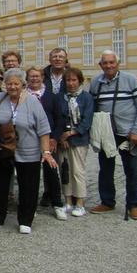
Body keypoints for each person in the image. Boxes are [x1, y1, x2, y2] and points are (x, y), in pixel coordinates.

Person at [0, 68, 55, 234]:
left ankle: (25, 220)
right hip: (3, 149)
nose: (12, 87)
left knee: (29, 185)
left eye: (16, 83)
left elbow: (43, 128)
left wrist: (46, 152)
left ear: (23, 84)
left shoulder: (32, 101)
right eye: (9, 83)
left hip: (29, 150)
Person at [89, 50, 137, 220]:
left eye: (111, 62)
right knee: (105, 169)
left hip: (128, 133)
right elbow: (91, 106)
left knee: (131, 170)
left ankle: (134, 204)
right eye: (105, 63)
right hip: (105, 132)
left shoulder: (130, 79)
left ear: (118, 64)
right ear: (100, 65)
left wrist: (136, 130)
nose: (108, 66)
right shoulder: (95, 82)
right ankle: (107, 201)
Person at [26, 67, 66, 220]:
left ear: (42, 77)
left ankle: (57, 204)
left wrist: (54, 138)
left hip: (48, 139)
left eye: (37, 76)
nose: (34, 79)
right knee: (31, 174)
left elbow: (59, 119)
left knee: (51, 172)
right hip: (29, 140)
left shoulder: (51, 96)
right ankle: (31, 205)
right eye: (31, 76)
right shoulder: (24, 95)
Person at [56, 67, 94, 217]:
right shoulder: (60, 97)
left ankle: (80, 202)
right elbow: (58, 118)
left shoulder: (86, 97)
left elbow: (87, 120)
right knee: (65, 170)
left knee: (78, 171)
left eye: (74, 80)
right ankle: (68, 201)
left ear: (80, 81)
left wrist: (70, 134)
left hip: (79, 139)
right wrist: (61, 137)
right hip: (63, 141)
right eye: (68, 80)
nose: (71, 83)